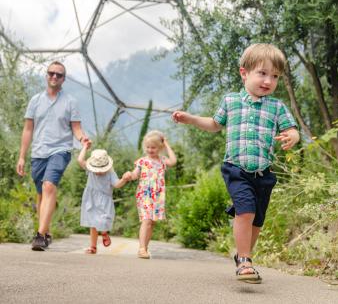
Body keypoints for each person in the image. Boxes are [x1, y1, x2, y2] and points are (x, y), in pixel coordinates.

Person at [172, 43, 300, 283]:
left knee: (257, 220)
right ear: (244, 73)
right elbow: (214, 124)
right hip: (236, 169)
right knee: (245, 211)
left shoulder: (277, 106)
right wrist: (190, 119)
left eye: (275, 76)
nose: (268, 81)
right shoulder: (231, 101)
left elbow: (292, 129)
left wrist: (292, 136)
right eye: (262, 73)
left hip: (264, 173)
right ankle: (244, 261)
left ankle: (244, 254)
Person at [16, 61, 90, 251]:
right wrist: (22, 157)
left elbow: (76, 128)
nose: (54, 77)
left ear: (64, 79)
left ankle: (39, 236)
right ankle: (46, 231)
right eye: (51, 73)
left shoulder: (70, 101)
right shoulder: (35, 101)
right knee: (42, 193)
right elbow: (27, 130)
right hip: (38, 152)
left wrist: (82, 139)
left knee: (49, 186)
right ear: (46, 75)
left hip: (60, 150)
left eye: (59, 75)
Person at [127, 130, 177, 259]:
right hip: (145, 193)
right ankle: (141, 248)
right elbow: (135, 174)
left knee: (152, 222)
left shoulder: (162, 160)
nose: (150, 150)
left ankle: (145, 247)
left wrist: (166, 144)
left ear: (159, 148)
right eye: (148, 147)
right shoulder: (142, 161)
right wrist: (129, 176)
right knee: (146, 220)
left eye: (153, 147)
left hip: (158, 195)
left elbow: (173, 161)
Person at [77, 145, 131, 254]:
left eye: (100, 169)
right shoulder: (90, 170)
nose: (98, 172)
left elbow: (116, 184)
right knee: (93, 223)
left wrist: (124, 179)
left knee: (103, 220)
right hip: (91, 198)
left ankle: (104, 232)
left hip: (104, 200)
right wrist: (85, 147)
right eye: (96, 169)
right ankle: (93, 247)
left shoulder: (110, 174)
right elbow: (80, 160)